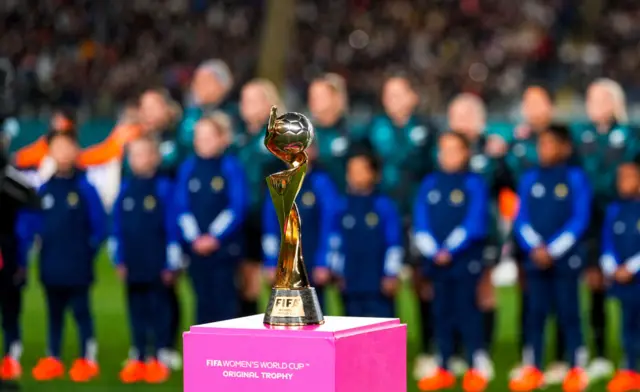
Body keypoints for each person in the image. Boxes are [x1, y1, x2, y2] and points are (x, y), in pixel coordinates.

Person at [509, 125, 591, 392]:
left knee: (569, 313)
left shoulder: (575, 178)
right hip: (535, 259)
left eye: (551, 144)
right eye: (541, 145)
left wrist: (553, 249)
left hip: (565, 260)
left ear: (565, 147)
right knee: (535, 314)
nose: (544, 150)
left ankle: (576, 368)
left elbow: (579, 219)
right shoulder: (529, 178)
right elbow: (520, 219)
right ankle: (533, 368)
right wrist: (535, 247)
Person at [366, 75, 438, 379]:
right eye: (388, 94)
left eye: (399, 93)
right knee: (385, 280)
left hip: (419, 217)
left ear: (412, 96)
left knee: (423, 282)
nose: (393, 99)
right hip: (383, 217)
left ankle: (431, 350)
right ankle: (382, 349)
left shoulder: (427, 128)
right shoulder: (374, 129)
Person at [20, 131, 107, 383]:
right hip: (50, 264)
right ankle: (53, 358)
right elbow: (30, 227)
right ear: (49, 153)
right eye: (57, 148)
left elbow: (99, 225)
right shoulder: (44, 190)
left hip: (78, 265)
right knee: (54, 314)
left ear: (76, 151)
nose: (63, 153)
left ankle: (87, 359)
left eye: (67, 147)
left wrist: (87, 251)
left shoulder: (84, 188)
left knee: (82, 312)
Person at [571, 79, 639, 380]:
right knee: (595, 284)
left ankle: (631, 356)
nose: (592, 104)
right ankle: (598, 352)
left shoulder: (631, 136)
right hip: (592, 222)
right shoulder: (581, 137)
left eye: (598, 98)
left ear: (614, 102)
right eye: (589, 98)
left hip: (628, 220)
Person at [414, 132, 492, 392]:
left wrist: (450, 248)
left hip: (464, 260)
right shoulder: (430, 183)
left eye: (454, 150)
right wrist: (433, 249)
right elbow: (420, 219)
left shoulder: (474, 183)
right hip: (436, 261)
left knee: (467, 311)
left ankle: (476, 365)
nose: (448, 156)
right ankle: (444, 365)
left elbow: (474, 221)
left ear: (466, 153)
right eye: (444, 150)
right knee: (441, 312)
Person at [506, 87, 567, 384]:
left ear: (550, 106)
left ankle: (561, 359)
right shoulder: (517, 142)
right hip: (526, 233)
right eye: (527, 102)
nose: (532, 107)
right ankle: (530, 357)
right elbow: (504, 183)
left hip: (557, 235)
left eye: (538, 101)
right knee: (529, 297)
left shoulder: (565, 139)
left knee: (563, 300)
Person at [109, 136, 182, 384]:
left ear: (154, 157)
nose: (139, 160)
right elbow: (117, 226)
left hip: (158, 262)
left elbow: (172, 226)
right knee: (135, 308)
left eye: (143, 154)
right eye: (134, 155)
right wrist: (118, 258)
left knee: (159, 309)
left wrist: (172, 262)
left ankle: (159, 356)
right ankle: (138, 355)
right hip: (133, 261)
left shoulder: (164, 188)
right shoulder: (126, 188)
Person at [175, 112, 248, 324]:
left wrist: (214, 237)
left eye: (208, 137)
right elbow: (181, 206)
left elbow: (237, 206)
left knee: (225, 301)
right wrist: (195, 238)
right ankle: (203, 354)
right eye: (199, 137)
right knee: (201, 299)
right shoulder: (188, 167)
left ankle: (227, 352)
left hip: (224, 249)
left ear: (223, 139)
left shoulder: (230, 167)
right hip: (196, 249)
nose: (202, 142)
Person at [262, 142, 338, 309]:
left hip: (311, 260)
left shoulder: (322, 183)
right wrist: (270, 262)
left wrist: (323, 262)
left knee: (313, 313)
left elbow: (330, 225)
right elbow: (270, 227)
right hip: (284, 263)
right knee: (286, 315)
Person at [328, 148, 402, 318]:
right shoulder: (342, 206)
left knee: (380, 330)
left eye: (362, 170)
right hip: (351, 280)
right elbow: (335, 241)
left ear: (374, 174)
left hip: (378, 282)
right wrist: (337, 271)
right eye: (352, 171)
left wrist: (391, 273)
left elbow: (394, 243)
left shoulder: (384, 205)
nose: (356, 176)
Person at [234, 79, 284, 317]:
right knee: (247, 283)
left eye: (254, 100)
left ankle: (290, 345)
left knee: (279, 281)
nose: (247, 105)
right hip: (246, 219)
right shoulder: (237, 139)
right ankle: (251, 346)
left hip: (275, 218)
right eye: (244, 100)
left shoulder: (281, 136)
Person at [0, 119, 40, 390]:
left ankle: (10, 355)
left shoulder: (12, 181)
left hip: (7, 252)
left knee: (9, 305)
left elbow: (32, 205)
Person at [600, 162, 640, 392]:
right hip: (623, 279)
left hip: (635, 275)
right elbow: (607, 240)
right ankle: (629, 369)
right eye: (621, 177)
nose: (624, 182)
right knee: (628, 326)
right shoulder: (615, 209)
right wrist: (612, 265)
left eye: (630, 177)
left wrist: (632, 267)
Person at [179, 59, 235, 154]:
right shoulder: (190, 114)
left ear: (223, 85)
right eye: (196, 82)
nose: (198, 87)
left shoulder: (234, 113)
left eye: (205, 81)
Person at [308, 73, 352, 191]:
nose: (313, 101)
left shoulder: (352, 132)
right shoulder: (306, 134)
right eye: (311, 96)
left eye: (319, 96)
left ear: (336, 97)